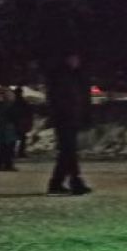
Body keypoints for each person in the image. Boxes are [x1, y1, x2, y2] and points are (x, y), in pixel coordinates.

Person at [45, 52, 92, 195]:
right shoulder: (63, 77)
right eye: (74, 59)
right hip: (65, 119)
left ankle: (58, 182)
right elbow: (61, 100)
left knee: (67, 152)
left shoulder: (72, 77)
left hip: (69, 119)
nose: (77, 61)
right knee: (69, 151)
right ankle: (74, 181)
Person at [0, 87, 29, 171]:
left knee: (3, 147)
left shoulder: (2, 105)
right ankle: (6, 164)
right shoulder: (7, 105)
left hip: (5, 128)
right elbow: (12, 116)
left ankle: (0, 164)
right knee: (8, 147)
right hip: (8, 128)